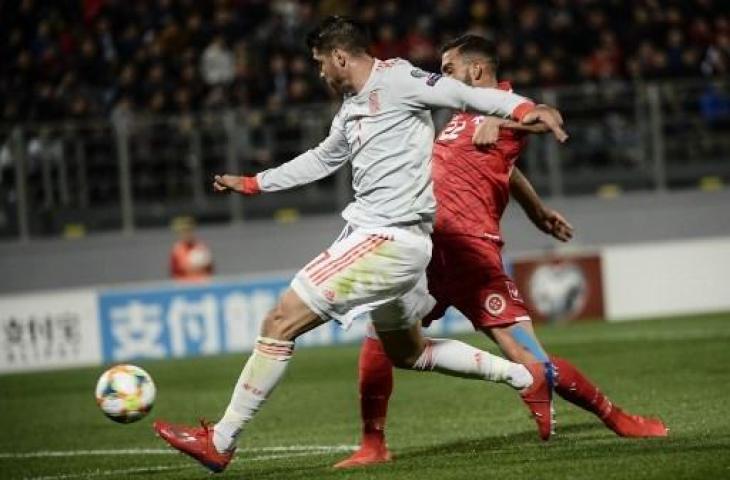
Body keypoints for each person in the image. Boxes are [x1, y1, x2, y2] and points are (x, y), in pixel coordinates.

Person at [153, 16, 568, 473]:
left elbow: (465, 94)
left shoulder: (400, 79)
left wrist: (526, 110)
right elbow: (321, 158)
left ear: (339, 57)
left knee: (279, 319)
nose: (319, 74)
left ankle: (222, 440)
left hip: (387, 239)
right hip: (386, 241)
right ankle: (520, 374)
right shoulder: (351, 106)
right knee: (407, 352)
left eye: (319, 64)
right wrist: (255, 183)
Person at [334, 34, 668, 469]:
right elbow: (502, 167)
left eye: (448, 68)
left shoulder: (504, 104)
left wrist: (507, 122)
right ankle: (373, 444)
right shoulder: (461, 112)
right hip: (432, 250)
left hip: (470, 253)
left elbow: (546, 116)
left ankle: (620, 419)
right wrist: (536, 209)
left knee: (532, 360)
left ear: (475, 70)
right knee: (381, 334)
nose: (440, 77)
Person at [169, 216, 214, 282]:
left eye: (189, 230)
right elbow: (174, 272)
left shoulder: (201, 247)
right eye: (184, 231)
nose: (187, 234)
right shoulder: (176, 250)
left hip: (202, 284)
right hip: (185, 287)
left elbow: (210, 269)